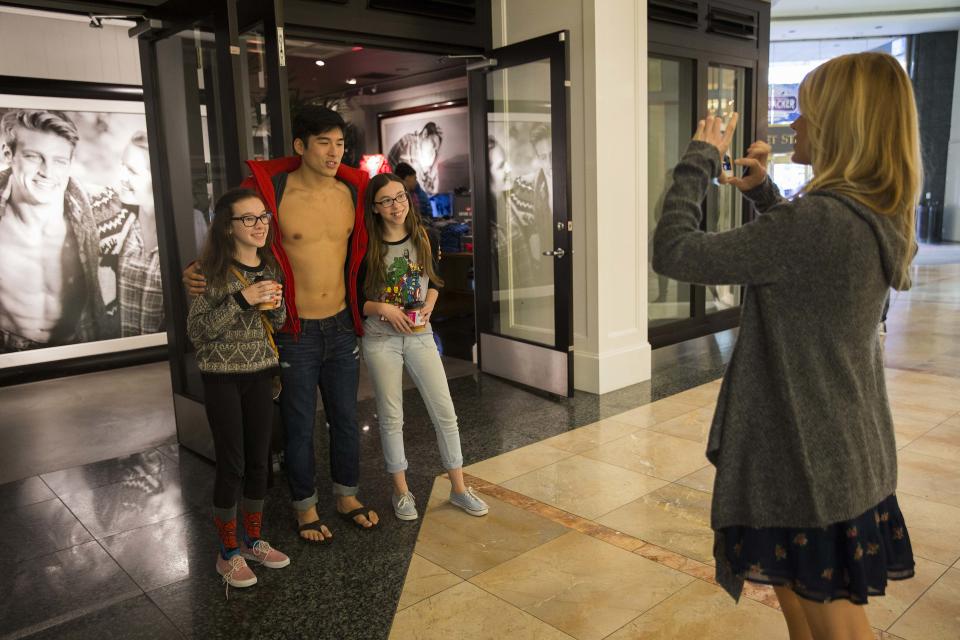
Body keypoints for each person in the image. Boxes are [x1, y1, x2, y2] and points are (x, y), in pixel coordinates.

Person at [653, 52, 918, 639]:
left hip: (806, 461)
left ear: (842, 126)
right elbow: (815, 275)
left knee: (838, 630)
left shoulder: (820, 221)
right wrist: (766, 196)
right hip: (839, 447)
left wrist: (700, 158)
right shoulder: (870, 212)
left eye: (804, 113)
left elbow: (673, 249)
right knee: (805, 617)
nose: (790, 126)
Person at [184, 105, 377, 541]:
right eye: (324, 143)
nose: (334, 153)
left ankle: (347, 495)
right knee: (298, 422)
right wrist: (196, 268)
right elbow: (233, 229)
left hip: (342, 323)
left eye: (341, 144)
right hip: (295, 329)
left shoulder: (352, 191)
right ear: (300, 146)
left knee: (346, 418)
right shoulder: (273, 192)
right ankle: (305, 506)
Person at [359, 173, 488, 521]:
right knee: (391, 417)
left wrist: (430, 301)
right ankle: (401, 491)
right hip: (380, 337)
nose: (396, 205)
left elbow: (434, 277)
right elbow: (356, 300)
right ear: (374, 207)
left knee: (445, 412)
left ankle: (459, 488)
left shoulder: (424, 235)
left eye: (400, 197)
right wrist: (382, 307)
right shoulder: (365, 245)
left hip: (420, 334)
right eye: (386, 200)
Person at [187, 187, 290, 594]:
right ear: (228, 229)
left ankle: (251, 541)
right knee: (232, 462)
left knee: (260, 461)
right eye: (248, 218)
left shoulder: (269, 268)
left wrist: (273, 304)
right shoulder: (209, 273)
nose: (259, 224)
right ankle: (227, 551)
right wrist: (243, 300)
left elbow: (278, 322)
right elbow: (198, 332)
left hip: (261, 373)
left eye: (263, 216)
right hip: (222, 377)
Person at [0, 109, 106, 351]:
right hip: (8, 355)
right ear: (8, 154)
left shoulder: (103, 209)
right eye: (33, 157)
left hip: (81, 349)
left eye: (59, 161)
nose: (47, 172)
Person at [94, 131, 164, 337]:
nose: (122, 177)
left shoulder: (189, 225)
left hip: (166, 358)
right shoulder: (115, 221)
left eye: (132, 171)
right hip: (124, 355)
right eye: (122, 166)